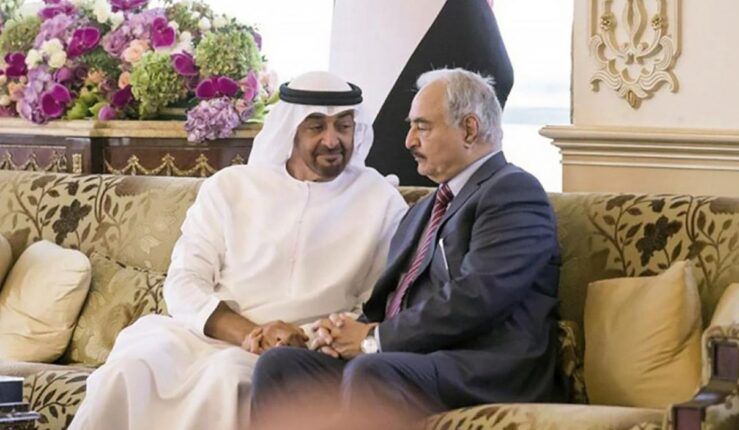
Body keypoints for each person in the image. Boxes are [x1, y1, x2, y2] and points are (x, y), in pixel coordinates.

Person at [68, 71, 408, 430]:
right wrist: (249, 334)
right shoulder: (231, 188)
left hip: (301, 350)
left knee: (226, 377)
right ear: (290, 129)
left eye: (344, 126)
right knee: (132, 366)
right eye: (316, 127)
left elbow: (377, 303)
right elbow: (185, 280)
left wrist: (305, 337)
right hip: (210, 334)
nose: (332, 140)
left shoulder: (380, 201)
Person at [251, 68, 566, 425]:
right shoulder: (422, 210)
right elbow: (393, 302)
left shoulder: (512, 191)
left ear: (469, 129)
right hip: (414, 358)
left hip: (484, 367)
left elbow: (479, 295)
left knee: (372, 371)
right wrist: (335, 335)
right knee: (281, 366)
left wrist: (374, 339)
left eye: (422, 127)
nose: (409, 141)